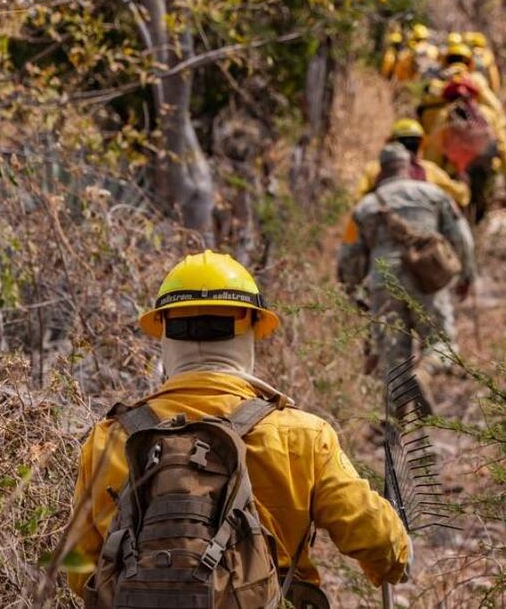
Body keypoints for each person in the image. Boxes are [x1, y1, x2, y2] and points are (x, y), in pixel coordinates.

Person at [67, 251, 409, 606]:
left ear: (164, 332)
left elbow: (80, 571)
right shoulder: (302, 435)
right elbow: (377, 540)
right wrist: (396, 556)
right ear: (250, 329)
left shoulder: (109, 438)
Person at [338, 143, 476, 381]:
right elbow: (462, 238)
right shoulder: (434, 195)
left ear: (381, 172)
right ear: (409, 167)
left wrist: (355, 294)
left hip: (384, 282)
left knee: (393, 360)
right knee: (442, 344)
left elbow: (349, 257)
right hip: (428, 278)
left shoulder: (365, 207)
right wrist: (466, 275)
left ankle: (397, 417)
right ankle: (425, 373)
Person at [425, 78, 506, 223]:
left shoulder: (445, 114)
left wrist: (429, 178)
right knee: (479, 214)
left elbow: (434, 150)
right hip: (485, 171)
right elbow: (504, 148)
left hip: (455, 171)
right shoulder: (488, 115)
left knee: (458, 215)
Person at [355, 118, 471, 208]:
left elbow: (358, 199)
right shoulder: (430, 169)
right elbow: (461, 196)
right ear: (420, 144)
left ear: (391, 143)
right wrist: (463, 183)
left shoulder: (374, 168)